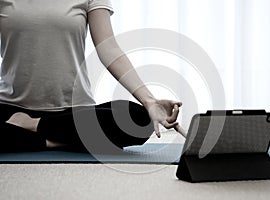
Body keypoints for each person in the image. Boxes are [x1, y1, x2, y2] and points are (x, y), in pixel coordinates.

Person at [0, 0, 186, 152]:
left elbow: (109, 48)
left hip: (74, 112)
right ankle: (62, 140)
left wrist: (149, 101)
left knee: (138, 119)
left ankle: (31, 127)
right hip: (10, 108)